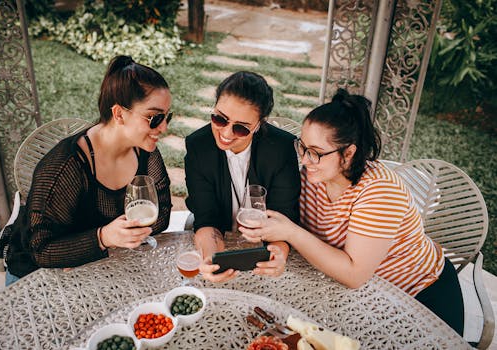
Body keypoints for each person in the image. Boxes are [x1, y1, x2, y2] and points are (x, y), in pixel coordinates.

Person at [240, 88, 464, 335]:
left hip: (418, 293)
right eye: (302, 147)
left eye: (316, 152)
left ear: (348, 153)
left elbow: (354, 274)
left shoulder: (380, 193)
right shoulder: (312, 176)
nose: (304, 160)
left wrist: (291, 233)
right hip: (358, 294)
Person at [0, 55, 172, 285]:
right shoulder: (64, 167)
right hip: (36, 275)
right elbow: (41, 250)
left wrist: (119, 236)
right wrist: (103, 237)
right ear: (119, 114)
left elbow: (163, 212)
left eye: (167, 117)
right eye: (154, 117)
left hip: (99, 265)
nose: (164, 127)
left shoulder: (144, 150)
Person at [185, 71, 300, 283]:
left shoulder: (282, 149)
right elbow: (205, 216)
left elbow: (284, 217)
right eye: (219, 118)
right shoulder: (197, 146)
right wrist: (211, 258)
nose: (226, 133)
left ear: (258, 124)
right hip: (220, 239)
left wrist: (279, 255)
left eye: (240, 128)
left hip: (264, 248)